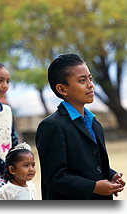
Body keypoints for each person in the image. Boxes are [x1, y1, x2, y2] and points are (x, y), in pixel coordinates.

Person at [35, 53, 125, 200]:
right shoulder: (52, 126)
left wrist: (111, 175)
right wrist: (94, 187)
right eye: (82, 80)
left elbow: (91, 164)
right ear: (62, 89)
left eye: (90, 78)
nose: (90, 85)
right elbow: (54, 177)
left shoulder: (94, 123)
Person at [0, 62, 18, 199]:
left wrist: (17, 164)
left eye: (7, 81)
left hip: (9, 172)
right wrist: (4, 169)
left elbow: (13, 139)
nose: (5, 85)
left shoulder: (7, 110)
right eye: (0, 80)